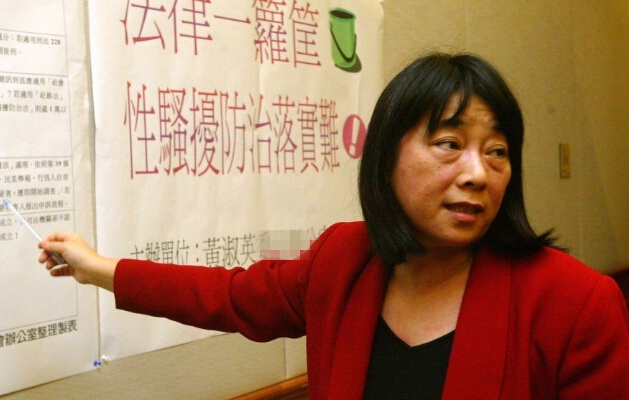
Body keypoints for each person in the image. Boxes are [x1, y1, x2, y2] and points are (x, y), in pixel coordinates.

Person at [39, 53, 629, 400]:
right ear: (387, 156)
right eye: (449, 144)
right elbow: (227, 295)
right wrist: (99, 269)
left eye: (497, 152)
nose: (478, 173)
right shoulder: (343, 258)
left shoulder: (576, 303)